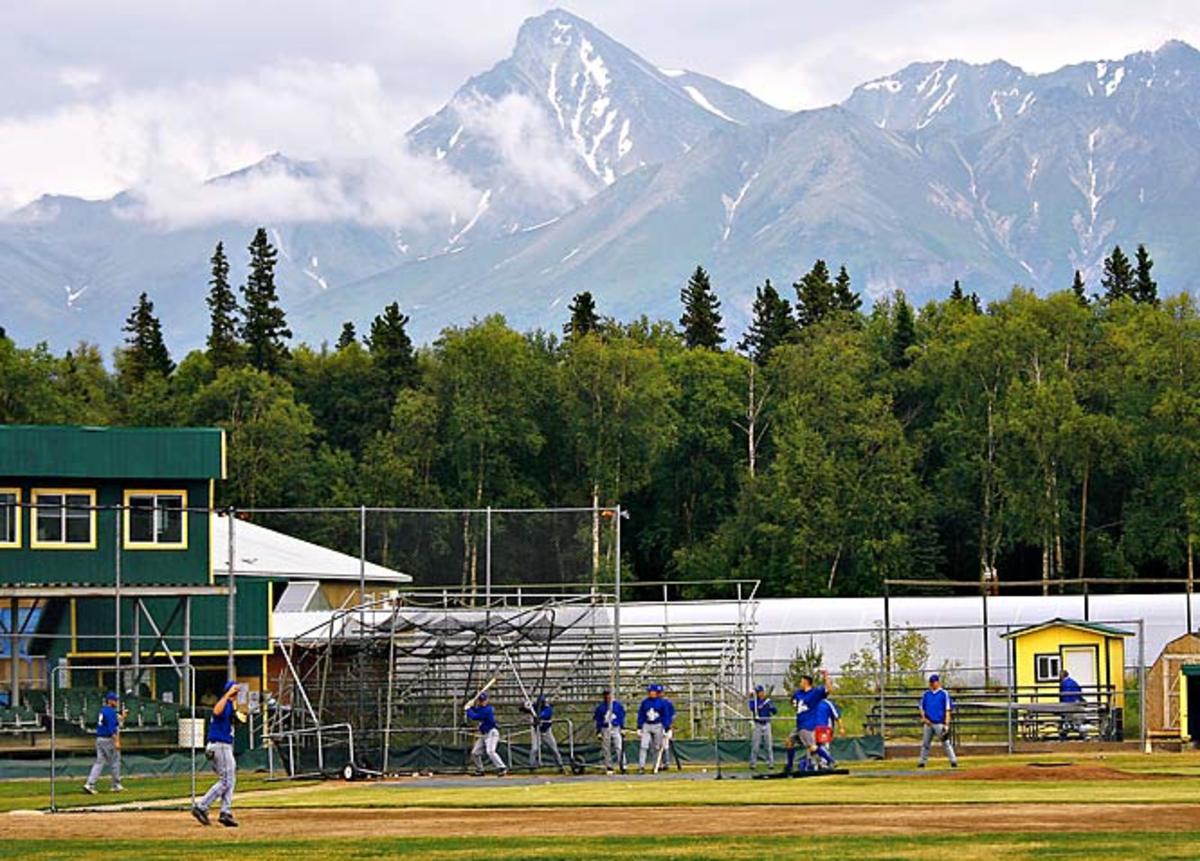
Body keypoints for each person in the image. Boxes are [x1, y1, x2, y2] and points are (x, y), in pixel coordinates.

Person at [192, 680, 241, 827]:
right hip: (220, 745)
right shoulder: (224, 703)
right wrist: (227, 695)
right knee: (226, 780)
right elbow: (216, 711)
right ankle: (201, 806)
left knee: (230, 779)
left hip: (221, 745)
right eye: (234, 691)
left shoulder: (229, 705)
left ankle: (225, 812)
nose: (237, 693)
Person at [785, 670, 829, 774]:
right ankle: (789, 766)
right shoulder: (798, 693)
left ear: (806, 682)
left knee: (812, 747)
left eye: (801, 682)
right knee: (789, 742)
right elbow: (793, 701)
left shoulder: (814, 692)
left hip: (808, 724)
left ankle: (830, 760)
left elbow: (828, 689)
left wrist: (826, 677)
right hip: (799, 723)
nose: (800, 684)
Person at [83, 691, 124, 794]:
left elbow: (115, 723)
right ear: (110, 701)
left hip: (99, 739)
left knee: (99, 762)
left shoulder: (103, 710)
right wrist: (117, 741)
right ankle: (116, 785)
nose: (116, 702)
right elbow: (112, 729)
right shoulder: (110, 712)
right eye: (114, 700)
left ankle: (90, 784)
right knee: (115, 761)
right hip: (108, 739)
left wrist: (122, 717)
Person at [918, 673, 958, 769]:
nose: (932, 684)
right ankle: (922, 762)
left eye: (934, 682)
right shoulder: (926, 694)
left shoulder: (944, 693)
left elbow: (947, 709)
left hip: (939, 722)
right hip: (928, 723)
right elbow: (921, 707)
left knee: (946, 743)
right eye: (931, 682)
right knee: (925, 743)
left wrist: (946, 724)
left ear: (938, 682)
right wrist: (924, 718)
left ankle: (953, 761)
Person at [466, 691, 507, 777]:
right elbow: (475, 711)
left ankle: (502, 767)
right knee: (475, 753)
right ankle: (480, 770)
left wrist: (468, 709)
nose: (482, 702)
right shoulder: (480, 708)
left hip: (491, 733)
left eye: (484, 700)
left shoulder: (487, 709)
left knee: (490, 751)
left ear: (487, 700)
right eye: (481, 700)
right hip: (484, 735)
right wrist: (471, 705)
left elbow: (475, 716)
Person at [636, 683, 675, 774]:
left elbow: (665, 715)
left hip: (658, 725)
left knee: (657, 747)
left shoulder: (662, 703)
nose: (651, 693)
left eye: (652, 691)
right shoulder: (645, 702)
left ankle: (656, 765)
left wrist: (667, 727)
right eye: (649, 692)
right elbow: (641, 714)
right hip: (647, 725)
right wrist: (639, 726)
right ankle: (641, 766)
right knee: (643, 746)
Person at [526, 694, 566, 773]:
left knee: (554, 749)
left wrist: (539, 716)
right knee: (534, 749)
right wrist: (526, 706)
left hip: (546, 731)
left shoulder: (548, 708)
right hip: (536, 730)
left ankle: (560, 765)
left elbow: (545, 714)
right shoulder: (534, 706)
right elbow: (523, 709)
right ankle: (531, 766)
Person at [593, 689, 626, 775]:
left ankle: (623, 765)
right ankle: (609, 766)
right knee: (606, 748)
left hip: (615, 727)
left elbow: (621, 717)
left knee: (619, 746)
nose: (607, 697)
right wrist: (598, 731)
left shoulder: (617, 706)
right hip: (605, 728)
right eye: (606, 695)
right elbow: (598, 720)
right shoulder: (601, 707)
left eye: (609, 694)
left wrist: (622, 728)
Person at [748, 685, 777, 770]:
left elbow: (775, 711)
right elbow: (752, 707)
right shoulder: (754, 701)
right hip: (758, 724)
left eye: (761, 692)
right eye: (758, 692)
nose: (761, 694)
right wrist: (754, 701)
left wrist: (771, 707)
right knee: (755, 745)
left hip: (767, 723)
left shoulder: (767, 701)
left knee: (768, 745)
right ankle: (753, 763)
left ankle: (770, 763)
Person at [812, 695, 842, 770]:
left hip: (825, 728)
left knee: (824, 745)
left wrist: (841, 727)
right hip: (813, 727)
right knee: (813, 746)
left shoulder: (828, 703)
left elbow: (837, 716)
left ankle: (825, 764)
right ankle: (815, 764)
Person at [1059, 669, 1087, 740]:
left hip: (1068, 706)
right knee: (1077, 723)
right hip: (1076, 705)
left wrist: (1062, 707)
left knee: (1066, 722)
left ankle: (1063, 737)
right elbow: (1079, 692)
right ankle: (1084, 736)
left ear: (1062, 676)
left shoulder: (1063, 683)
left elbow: (1063, 696)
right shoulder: (1073, 682)